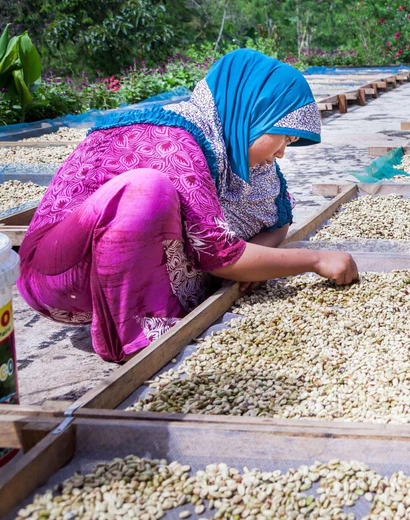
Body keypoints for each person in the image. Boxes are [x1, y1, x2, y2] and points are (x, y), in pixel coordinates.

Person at [17, 49, 358, 363]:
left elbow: (277, 216)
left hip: (108, 273)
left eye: (291, 141)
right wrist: (314, 259)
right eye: (282, 136)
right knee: (146, 190)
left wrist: (258, 261)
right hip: (62, 273)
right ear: (254, 111)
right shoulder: (173, 138)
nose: (283, 151)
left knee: (228, 211)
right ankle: (136, 340)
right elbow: (220, 256)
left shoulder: (227, 148)